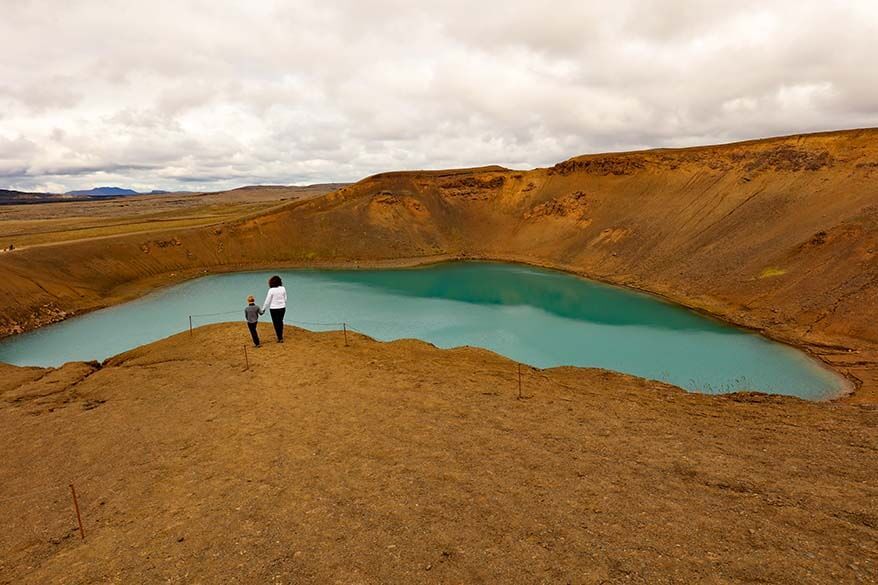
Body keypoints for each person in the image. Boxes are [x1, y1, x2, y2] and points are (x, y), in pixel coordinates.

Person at [262, 275, 287, 343]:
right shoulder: (283, 288)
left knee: (276, 323)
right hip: (282, 307)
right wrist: (282, 303)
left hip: (274, 309)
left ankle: (279, 337)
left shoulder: (271, 290)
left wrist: (263, 309)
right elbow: (285, 299)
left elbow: (267, 301)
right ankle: (280, 336)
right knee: (280, 321)